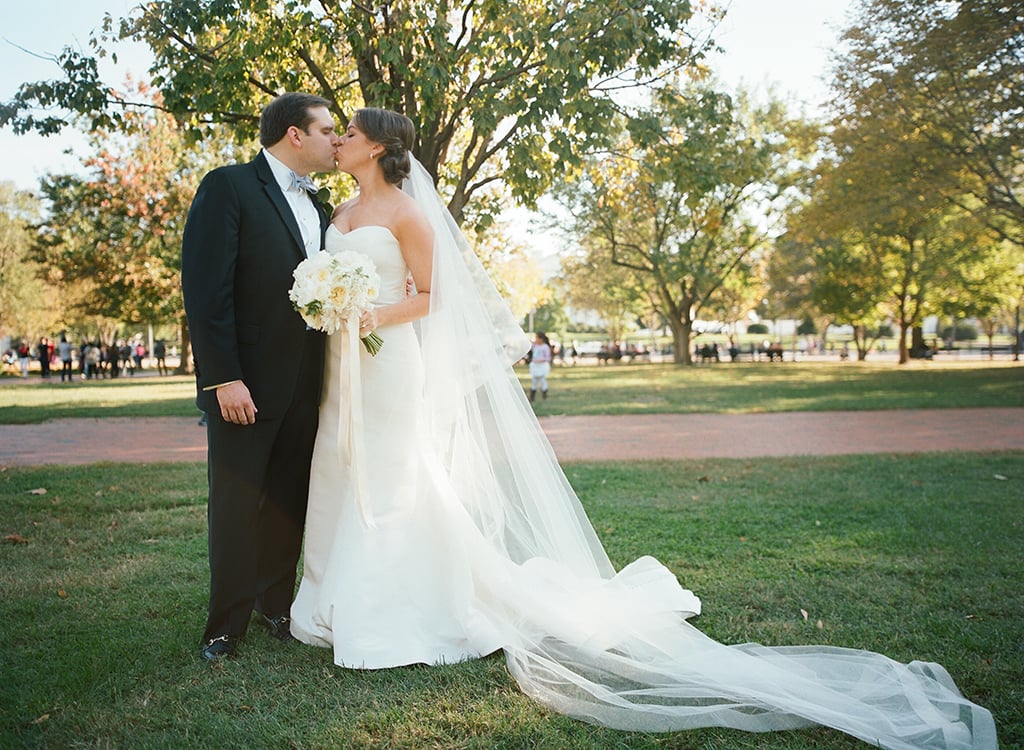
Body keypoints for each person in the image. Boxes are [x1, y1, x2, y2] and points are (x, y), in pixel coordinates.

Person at [290, 108, 996, 750]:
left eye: (349, 131)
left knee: (398, 472)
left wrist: (372, 315)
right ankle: (332, 600)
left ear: (379, 145)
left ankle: (405, 605)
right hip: (345, 368)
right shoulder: (344, 207)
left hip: (390, 362)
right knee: (345, 464)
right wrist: (330, 307)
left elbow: (433, 296)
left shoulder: (409, 213)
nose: (341, 139)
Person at [181, 92, 336, 662]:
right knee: (237, 505)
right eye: (326, 130)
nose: (334, 141)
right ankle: (225, 625)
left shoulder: (321, 209)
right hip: (243, 384)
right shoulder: (228, 187)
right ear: (295, 134)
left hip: (307, 384)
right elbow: (205, 290)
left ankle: (277, 609)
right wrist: (224, 377)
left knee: (287, 502)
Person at [527, 331, 552, 402]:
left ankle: (544, 395)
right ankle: (532, 396)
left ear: (541, 339)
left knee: (542, 380)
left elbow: (547, 358)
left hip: (541, 366)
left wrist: (539, 361)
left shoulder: (545, 347)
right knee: (534, 380)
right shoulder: (535, 346)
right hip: (535, 366)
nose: (536, 339)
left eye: (537, 338)